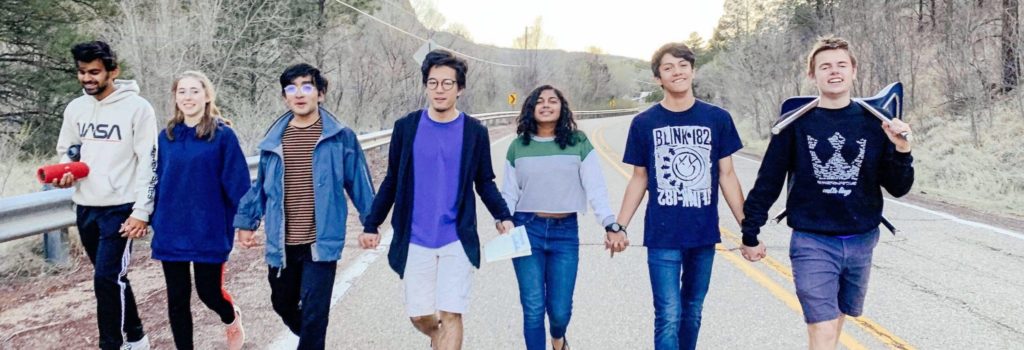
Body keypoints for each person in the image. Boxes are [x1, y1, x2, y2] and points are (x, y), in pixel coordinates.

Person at [740, 36, 914, 350]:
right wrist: (750, 231)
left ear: (853, 71)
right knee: (821, 330)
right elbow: (769, 181)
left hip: (861, 239)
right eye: (825, 67)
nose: (834, 72)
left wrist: (902, 150)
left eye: (841, 65)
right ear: (812, 75)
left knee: (836, 324)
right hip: (812, 240)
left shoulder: (876, 123)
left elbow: (898, 188)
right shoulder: (794, 124)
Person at [358, 49, 513, 350]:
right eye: (433, 83)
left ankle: (445, 339)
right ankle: (437, 337)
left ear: (460, 88)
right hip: (415, 237)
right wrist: (371, 223)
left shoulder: (474, 132)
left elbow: (484, 182)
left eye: (447, 83)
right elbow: (392, 179)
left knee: (452, 312)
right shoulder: (406, 128)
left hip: (456, 236)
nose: (439, 90)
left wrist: (502, 216)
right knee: (419, 315)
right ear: (426, 85)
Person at [613, 42, 746, 350]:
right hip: (663, 235)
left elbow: (727, 175)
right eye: (668, 68)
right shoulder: (645, 123)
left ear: (692, 70)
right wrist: (620, 225)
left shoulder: (717, 118)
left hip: (703, 233)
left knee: (693, 312)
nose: (677, 72)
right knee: (669, 314)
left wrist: (746, 227)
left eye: (683, 65)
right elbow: (639, 179)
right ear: (658, 78)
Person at [233, 63, 376, 350]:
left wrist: (370, 223)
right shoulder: (275, 138)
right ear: (285, 96)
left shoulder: (340, 136)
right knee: (282, 304)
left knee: (314, 314)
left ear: (320, 94)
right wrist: (247, 222)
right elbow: (262, 185)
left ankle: (312, 341)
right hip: (282, 242)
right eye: (291, 88)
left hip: (321, 242)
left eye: (307, 86)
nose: (299, 94)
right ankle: (313, 341)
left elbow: (359, 181)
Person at [53, 40, 157, 350]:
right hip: (86, 207)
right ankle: (137, 337)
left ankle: (112, 344)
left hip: (121, 209)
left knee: (106, 279)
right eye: (82, 72)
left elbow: (149, 162)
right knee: (111, 277)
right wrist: (65, 171)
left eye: (94, 72)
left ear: (113, 71)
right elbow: (67, 151)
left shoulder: (138, 109)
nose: (87, 78)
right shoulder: (75, 108)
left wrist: (142, 211)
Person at [500, 85, 618, 350]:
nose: (546, 105)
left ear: (562, 107)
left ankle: (558, 338)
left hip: (565, 232)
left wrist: (610, 222)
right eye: (539, 101)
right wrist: (503, 218)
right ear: (530, 108)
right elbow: (509, 192)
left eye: (553, 101)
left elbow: (595, 187)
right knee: (532, 307)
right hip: (526, 229)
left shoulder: (578, 142)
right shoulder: (518, 146)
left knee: (560, 311)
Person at [150, 70, 249, 350]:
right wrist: (148, 215)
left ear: (207, 96)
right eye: (182, 91)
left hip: (209, 227)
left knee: (209, 293)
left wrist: (245, 222)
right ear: (175, 97)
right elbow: (155, 179)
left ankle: (231, 318)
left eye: (195, 90)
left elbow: (238, 183)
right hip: (171, 227)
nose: (188, 97)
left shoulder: (222, 136)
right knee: (177, 298)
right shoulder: (166, 137)